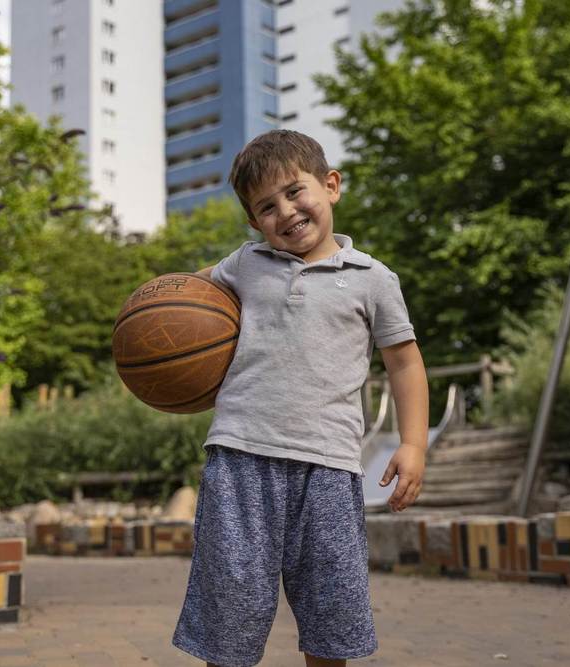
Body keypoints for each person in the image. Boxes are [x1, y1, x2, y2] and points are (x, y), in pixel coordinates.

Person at [172, 129, 429, 667]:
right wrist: (150, 308)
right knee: (230, 610)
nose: (285, 211)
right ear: (252, 222)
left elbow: (404, 362)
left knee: (331, 615)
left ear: (331, 185)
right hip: (241, 457)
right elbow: (187, 298)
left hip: (330, 468)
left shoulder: (374, 280)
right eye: (266, 207)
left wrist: (413, 444)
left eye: (295, 191)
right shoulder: (245, 263)